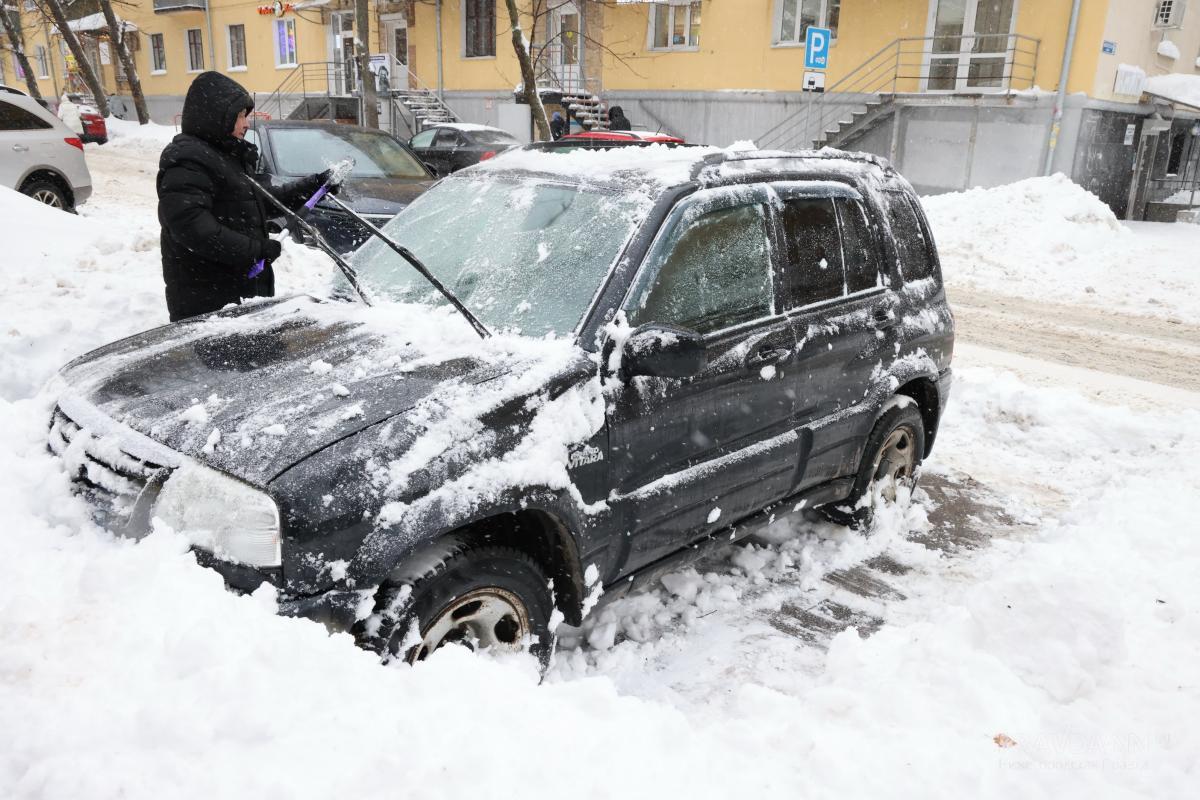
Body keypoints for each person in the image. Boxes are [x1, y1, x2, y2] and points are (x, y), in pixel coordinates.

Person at [157, 71, 340, 322]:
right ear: (217, 116)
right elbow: (192, 228)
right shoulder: (188, 160)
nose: (246, 124)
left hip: (242, 294)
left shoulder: (228, 157)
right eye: (240, 116)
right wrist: (255, 250)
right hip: (209, 306)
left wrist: (314, 186)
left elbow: (261, 202)